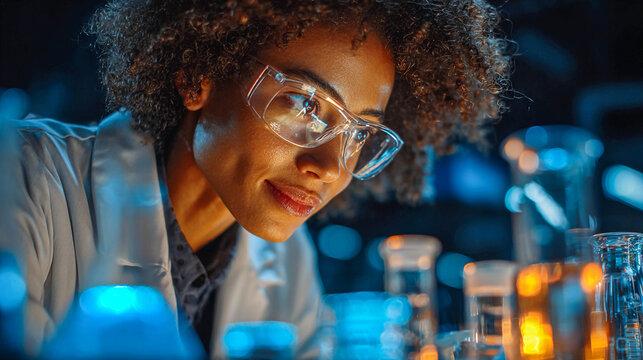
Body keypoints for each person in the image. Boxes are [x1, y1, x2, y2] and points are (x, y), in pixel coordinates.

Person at [0, 0, 510, 358]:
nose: (330, 167)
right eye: (306, 104)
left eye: (359, 134)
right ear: (198, 74)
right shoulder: (24, 180)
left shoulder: (287, 261)